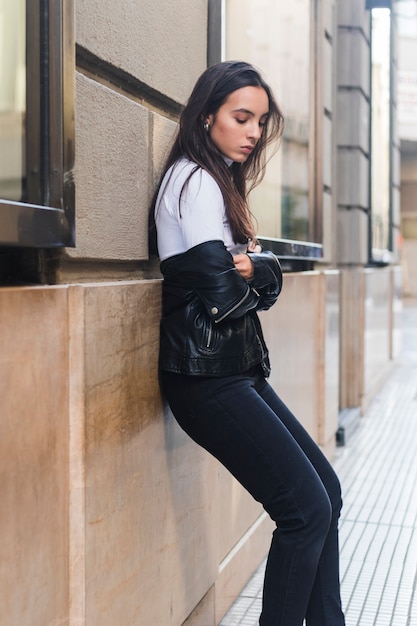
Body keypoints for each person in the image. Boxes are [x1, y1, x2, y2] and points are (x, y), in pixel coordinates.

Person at [151, 60, 345, 626]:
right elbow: (225, 295)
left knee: (325, 495)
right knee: (304, 510)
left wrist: (258, 269)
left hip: (233, 371)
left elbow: (254, 282)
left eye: (259, 121)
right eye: (241, 118)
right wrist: (259, 273)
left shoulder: (217, 183)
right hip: (206, 380)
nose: (253, 132)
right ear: (207, 115)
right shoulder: (193, 181)